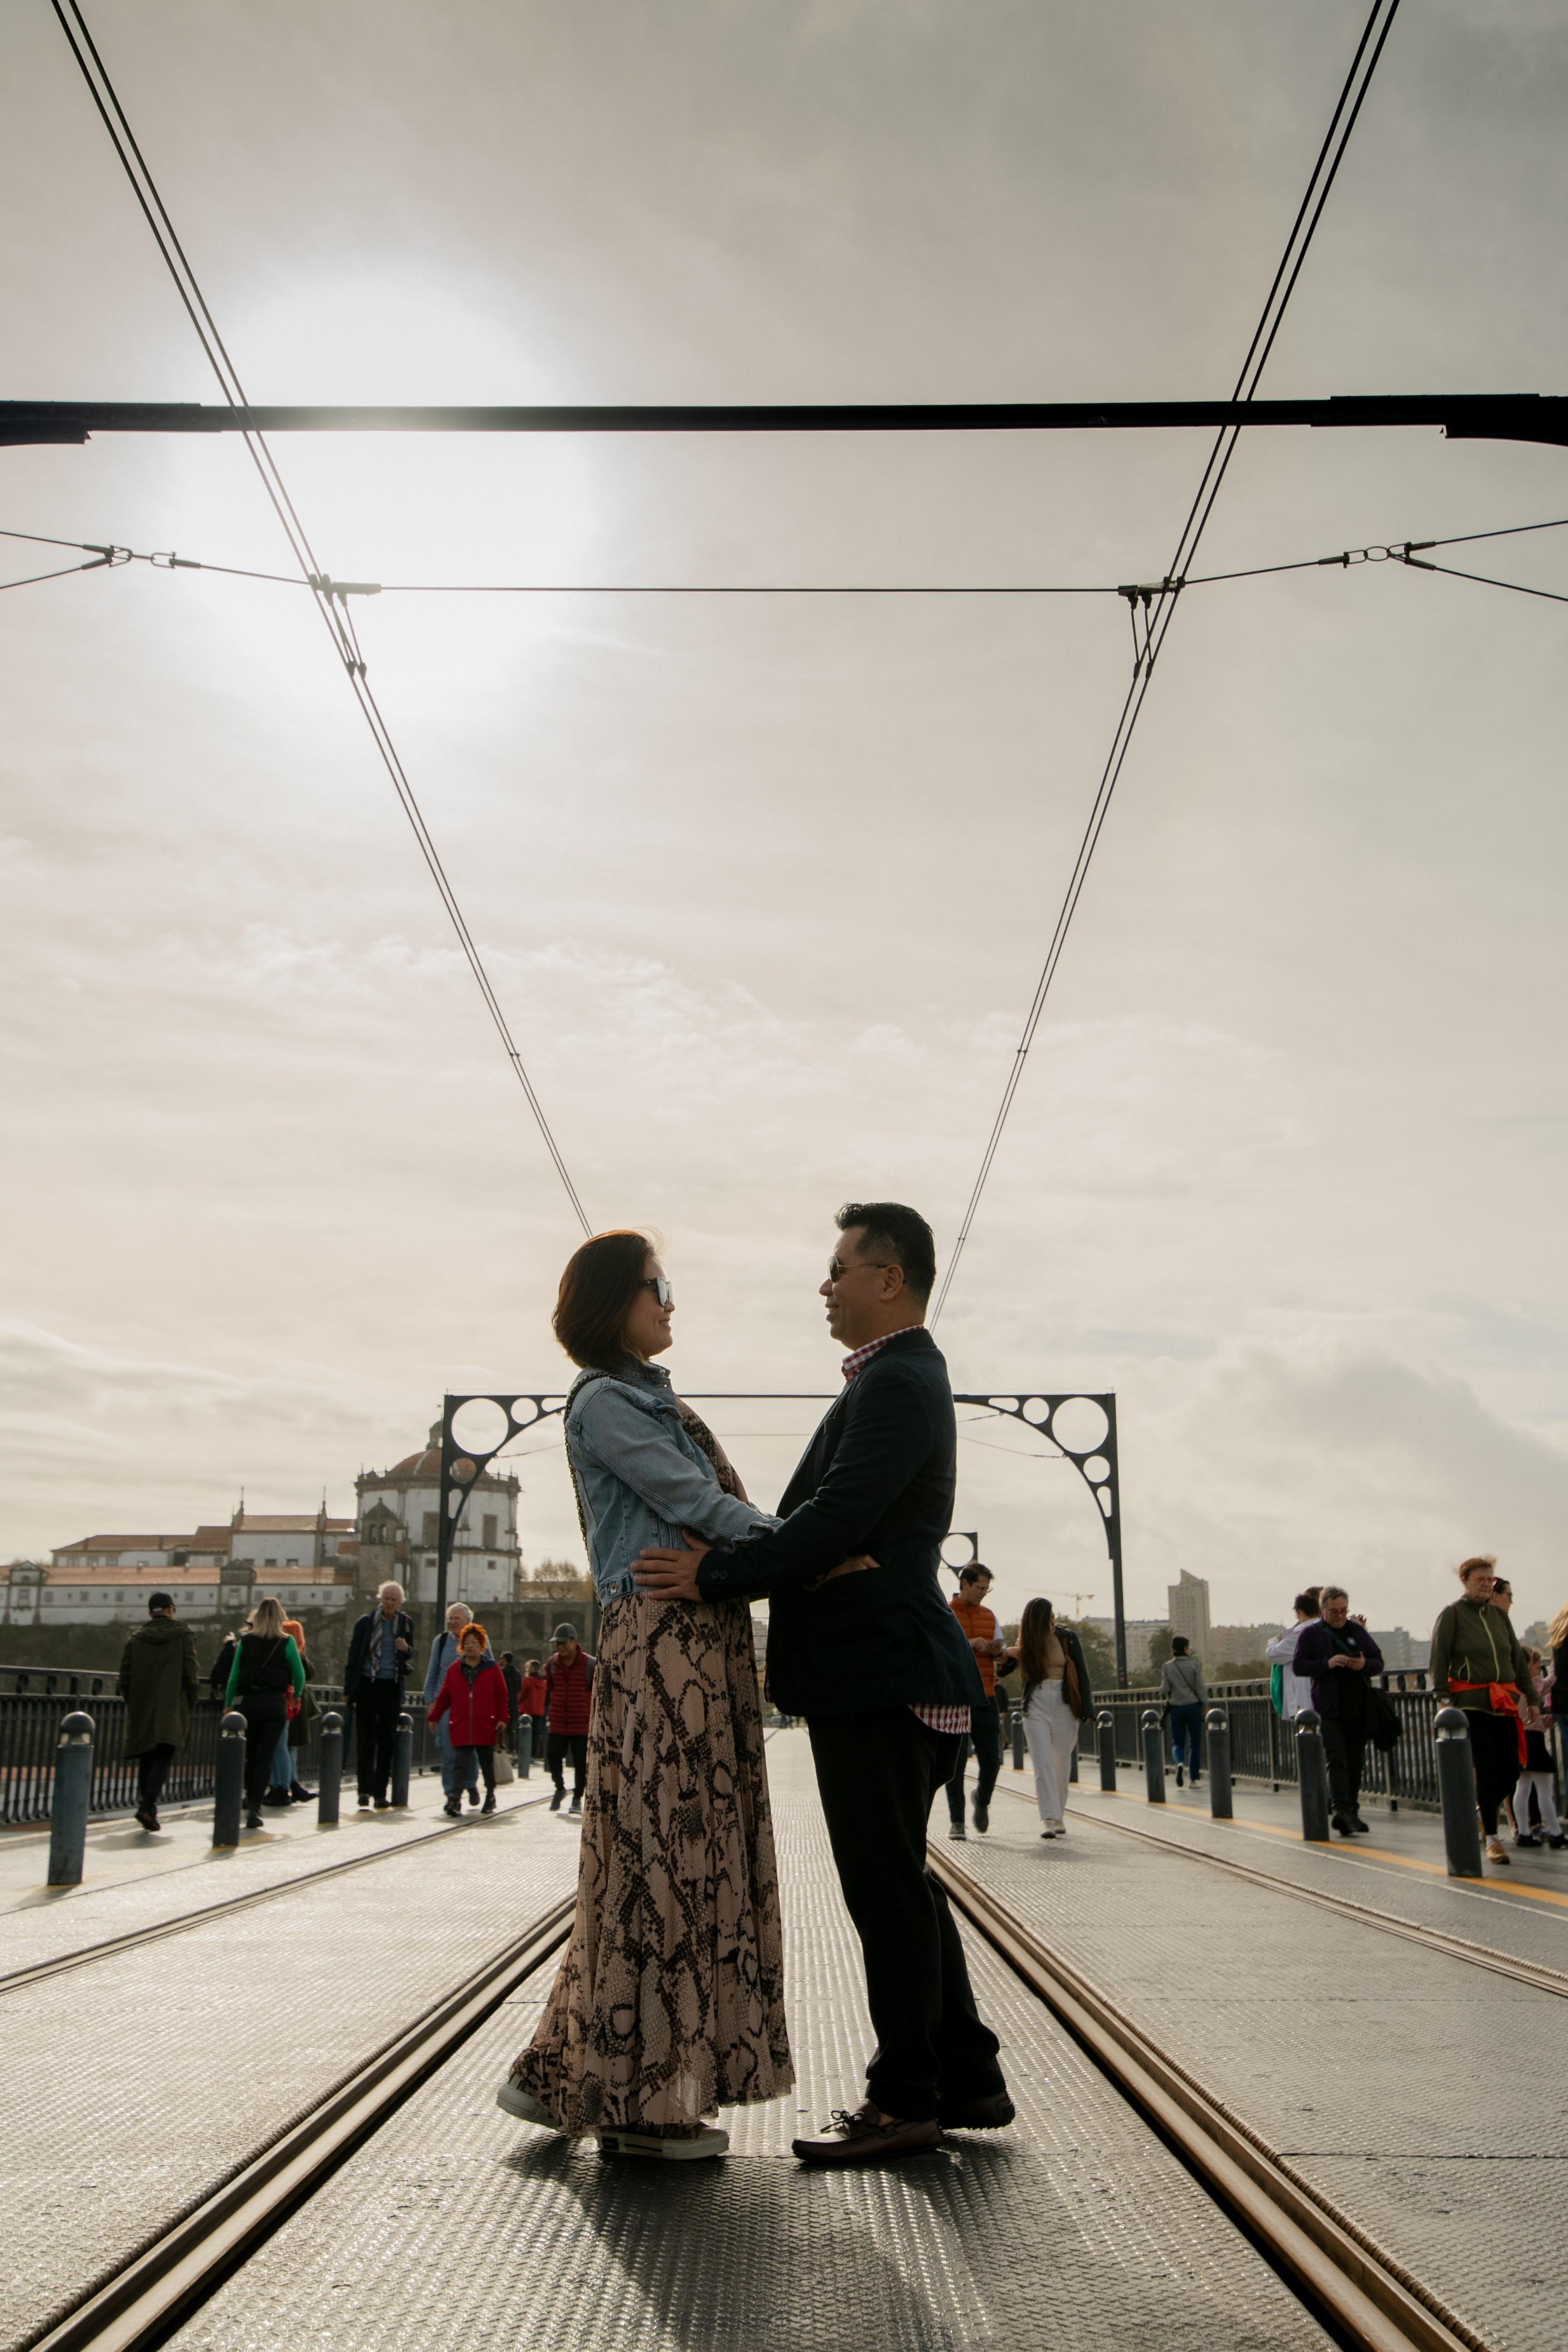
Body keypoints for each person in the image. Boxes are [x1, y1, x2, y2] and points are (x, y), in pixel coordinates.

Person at [635, 1200, 1011, 2170]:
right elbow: (836, 1526)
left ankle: (904, 2098)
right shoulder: (894, 1377)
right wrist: (813, 1552)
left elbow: (839, 1514)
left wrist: (715, 1574)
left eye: (839, 1268)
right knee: (904, 1887)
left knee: (883, 1891)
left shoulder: (895, 1380)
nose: (824, 1285)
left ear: (888, 1278)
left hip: (879, 1672)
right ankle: (965, 2074)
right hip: (886, 1667)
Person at [501, 1227, 796, 2163]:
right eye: (655, 1287)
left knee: (658, 1853)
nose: (671, 1303)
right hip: (663, 1644)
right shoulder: (607, 1403)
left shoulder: (645, 1397)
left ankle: (558, 2070)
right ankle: (641, 2103)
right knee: (664, 1853)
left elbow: (702, 1511)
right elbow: (695, 1500)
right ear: (609, 1302)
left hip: (692, 1639)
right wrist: (807, 1553)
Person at [1431, 1556, 1537, 1866]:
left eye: (1490, 1580)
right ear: (1465, 1581)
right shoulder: (1452, 1615)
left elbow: (1517, 1662)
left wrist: (1530, 1697)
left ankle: (1482, 1810)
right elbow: (1438, 1659)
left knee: (1512, 1768)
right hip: (1471, 1704)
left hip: (1503, 1702)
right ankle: (1493, 1839)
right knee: (1487, 1767)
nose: (1487, 1585)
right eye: (1481, 1580)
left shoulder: (1499, 1618)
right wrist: (1443, 1698)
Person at [1293, 1587, 1384, 1838]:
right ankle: (1341, 1810)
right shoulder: (1311, 1634)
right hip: (1327, 1707)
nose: (1340, 1616)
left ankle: (1351, 1811)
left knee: (1356, 1761)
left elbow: (1378, 1661)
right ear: (1323, 1610)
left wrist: (1364, 1665)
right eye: (1334, 1611)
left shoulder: (1356, 1632)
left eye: (1344, 1610)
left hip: (1357, 1705)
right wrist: (1327, 1664)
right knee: (1336, 1758)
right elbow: (1299, 1665)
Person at [118, 1591, 200, 1832]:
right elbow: (190, 1672)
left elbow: (126, 1675)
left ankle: (148, 1809)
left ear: (150, 1612)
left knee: (147, 1755)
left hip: (143, 1702)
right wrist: (191, 1699)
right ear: (170, 1609)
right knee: (165, 1753)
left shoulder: (136, 1638)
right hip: (172, 1703)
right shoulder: (183, 1635)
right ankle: (148, 1805)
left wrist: (133, 1700)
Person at [224, 1596, 306, 1829]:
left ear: (258, 1617)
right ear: (280, 1617)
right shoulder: (287, 1642)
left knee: (250, 1755)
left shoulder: (247, 1642)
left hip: (250, 1703)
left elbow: (234, 1675)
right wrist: (297, 1694)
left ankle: (250, 1798)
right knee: (266, 1757)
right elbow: (299, 1675)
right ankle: (257, 1808)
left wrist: (229, 1704)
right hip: (274, 1704)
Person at [1017, 1597, 1091, 1838]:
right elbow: (1006, 1665)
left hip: (1064, 1702)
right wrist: (1001, 1655)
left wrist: (1087, 1709)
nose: (1053, 1621)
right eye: (1049, 1617)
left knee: (1061, 1762)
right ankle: (1049, 1818)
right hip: (1036, 1702)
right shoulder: (1027, 1640)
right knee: (1043, 1762)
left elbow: (1082, 1672)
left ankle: (1059, 1815)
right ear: (1038, 1620)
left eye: (1053, 1616)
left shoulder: (1067, 1637)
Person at [946, 1562, 1007, 1839]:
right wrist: (969, 1643)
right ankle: (957, 1821)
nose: (984, 1593)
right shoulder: (945, 1613)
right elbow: (939, 1648)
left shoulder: (990, 1616)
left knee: (992, 1759)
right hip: (956, 1697)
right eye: (980, 1587)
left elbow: (1002, 1654)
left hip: (985, 1696)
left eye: (987, 1588)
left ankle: (981, 1801)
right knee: (955, 1764)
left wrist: (997, 1652)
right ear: (965, 1584)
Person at [343, 1580, 416, 1810]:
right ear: (380, 1599)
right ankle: (364, 1790)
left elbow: (409, 1653)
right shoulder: (365, 1623)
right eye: (386, 1598)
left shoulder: (405, 1623)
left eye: (394, 1599)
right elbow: (353, 1657)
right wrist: (348, 1691)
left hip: (391, 1687)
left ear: (400, 1602)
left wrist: (407, 1649)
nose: (390, 1603)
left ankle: (380, 1793)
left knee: (387, 1742)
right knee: (366, 1740)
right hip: (367, 1684)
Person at [428, 1622, 510, 1815]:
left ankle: (490, 1795)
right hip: (462, 1724)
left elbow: (502, 1695)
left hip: (485, 1725)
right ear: (461, 1646)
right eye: (467, 1642)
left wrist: (503, 1718)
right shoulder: (454, 1670)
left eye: (475, 1642)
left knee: (486, 1764)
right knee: (460, 1764)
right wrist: (434, 1717)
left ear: (482, 1646)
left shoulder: (492, 1669)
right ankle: (455, 1800)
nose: (470, 1646)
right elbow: (444, 1696)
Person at [423, 1602, 490, 1810]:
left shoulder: (481, 1640)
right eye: (450, 1619)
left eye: (457, 1619)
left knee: (470, 1750)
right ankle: (452, 1794)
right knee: (447, 1750)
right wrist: (430, 1702)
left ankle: (470, 1784)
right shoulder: (441, 1641)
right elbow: (432, 1673)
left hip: (471, 1707)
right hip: (445, 1706)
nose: (452, 1623)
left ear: (468, 1621)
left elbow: (490, 1672)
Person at [1513, 1652, 1564, 1850]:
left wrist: (1544, 1721)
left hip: (1522, 1738)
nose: (1538, 1672)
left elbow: (1526, 1717)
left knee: (1523, 1785)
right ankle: (1556, 1832)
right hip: (1533, 1740)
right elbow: (1547, 1683)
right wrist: (1554, 1664)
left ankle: (1524, 1833)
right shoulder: (1530, 1685)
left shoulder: (1515, 1687)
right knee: (1544, 1787)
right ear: (1528, 1668)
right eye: (1536, 1667)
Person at [543, 1624, 594, 1815]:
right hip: (558, 1720)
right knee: (553, 1756)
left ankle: (577, 1797)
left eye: (564, 1643)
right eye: (557, 1644)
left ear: (575, 1642)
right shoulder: (553, 1664)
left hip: (581, 1722)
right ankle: (560, 1788)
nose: (560, 1647)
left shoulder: (590, 1664)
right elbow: (550, 1690)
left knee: (581, 1762)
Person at [1265, 1591, 1321, 1720]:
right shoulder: (1325, 1629)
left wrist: (1275, 1640)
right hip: (1323, 1697)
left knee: (1308, 1736)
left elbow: (1273, 1654)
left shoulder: (1300, 1634)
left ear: (1299, 1612)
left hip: (1304, 1699)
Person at [1161, 1636, 1206, 1788]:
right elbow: (1200, 1688)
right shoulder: (1194, 1666)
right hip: (1193, 1707)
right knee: (1195, 1744)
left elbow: (1165, 1689)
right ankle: (1193, 1779)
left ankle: (1179, 1763)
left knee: (1178, 1743)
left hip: (1176, 1708)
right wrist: (1205, 1706)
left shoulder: (1167, 1667)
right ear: (1186, 1648)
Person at [518, 1656, 548, 1760]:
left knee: (524, 1732)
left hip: (527, 1709)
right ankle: (533, 1753)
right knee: (535, 1733)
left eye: (528, 1667)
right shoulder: (543, 1683)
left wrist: (518, 1704)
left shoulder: (528, 1681)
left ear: (532, 1668)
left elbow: (522, 1695)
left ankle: (524, 1754)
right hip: (539, 1710)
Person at [499, 1651, 522, 1751]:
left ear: (505, 1659)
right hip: (513, 1703)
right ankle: (513, 1751)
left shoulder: (502, 1672)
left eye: (501, 1658)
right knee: (512, 1730)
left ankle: (502, 1749)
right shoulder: (517, 1673)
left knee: (500, 1728)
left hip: (504, 1703)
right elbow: (519, 1688)